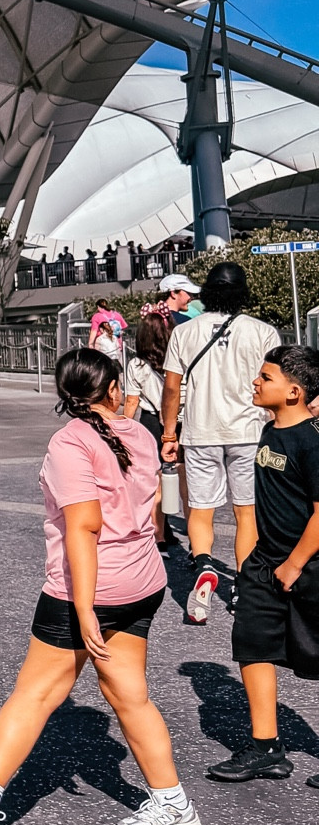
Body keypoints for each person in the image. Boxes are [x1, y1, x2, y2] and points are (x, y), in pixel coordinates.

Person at [0, 348, 199, 825]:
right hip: (142, 581)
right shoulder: (140, 434)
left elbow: (83, 527)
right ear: (112, 389)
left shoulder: (70, 443)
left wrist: (84, 607)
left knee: (37, 694)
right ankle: (174, 803)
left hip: (87, 589)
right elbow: (151, 510)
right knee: (130, 694)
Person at [210, 346, 319, 784]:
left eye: (266, 377)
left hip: (307, 564)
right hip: (264, 562)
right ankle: (265, 748)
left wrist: (294, 564)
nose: (256, 382)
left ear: (294, 391)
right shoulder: (270, 431)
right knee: (252, 643)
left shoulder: (311, 441)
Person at [160, 261, 282, 625]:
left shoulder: (185, 332)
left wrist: (169, 433)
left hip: (199, 433)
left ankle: (204, 567)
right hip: (249, 433)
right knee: (246, 513)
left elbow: (170, 388)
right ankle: (243, 587)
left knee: (201, 510)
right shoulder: (263, 333)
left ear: (207, 292)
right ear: (243, 293)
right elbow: (274, 386)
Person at [123, 309, 175, 549]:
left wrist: (122, 428)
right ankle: (189, 537)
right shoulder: (177, 359)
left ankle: (159, 532)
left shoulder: (136, 364)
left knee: (155, 478)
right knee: (178, 477)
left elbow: (132, 401)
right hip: (181, 420)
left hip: (151, 422)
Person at [88, 298, 128, 362]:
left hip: (103, 348)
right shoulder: (117, 314)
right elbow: (124, 327)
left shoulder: (97, 316)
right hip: (117, 347)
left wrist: (90, 345)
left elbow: (94, 331)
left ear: (98, 306)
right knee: (119, 368)